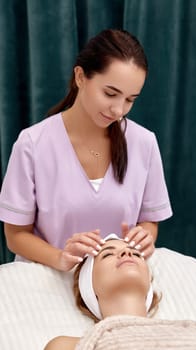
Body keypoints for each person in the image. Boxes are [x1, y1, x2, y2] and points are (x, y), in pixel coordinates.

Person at [0, 29, 172, 271]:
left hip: (113, 284)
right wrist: (61, 258)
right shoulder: (33, 144)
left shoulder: (144, 143)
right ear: (80, 77)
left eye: (130, 99)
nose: (118, 110)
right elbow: (16, 235)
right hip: (48, 280)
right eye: (110, 94)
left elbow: (149, 222)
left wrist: (143, 237)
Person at [44, 234, 196, 349]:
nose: (127, 254)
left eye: (135, 253)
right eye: (108, 254)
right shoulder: (67, 346)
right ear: (89, 289)